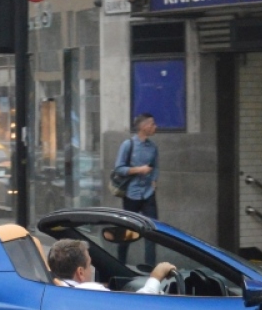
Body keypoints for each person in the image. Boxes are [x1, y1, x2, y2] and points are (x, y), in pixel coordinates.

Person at [112, 113, 160, 265]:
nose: (155, 127)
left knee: (152, 232)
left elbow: (155, 167)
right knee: (127, 231)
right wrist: (139, 170)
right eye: (152, 124)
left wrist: (154, 181)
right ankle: (120, 263)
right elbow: (119, 168)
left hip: (148, 195)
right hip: (131, 195)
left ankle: (150, 267)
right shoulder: (128, 145)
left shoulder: (153, 147)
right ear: (143, 126)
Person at [47, 238, 176, 294]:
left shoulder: (50, 287)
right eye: (89, 265)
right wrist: (156, 277)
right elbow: (138, 308)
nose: (91, 271)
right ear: (80, 272)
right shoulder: (89, 291)